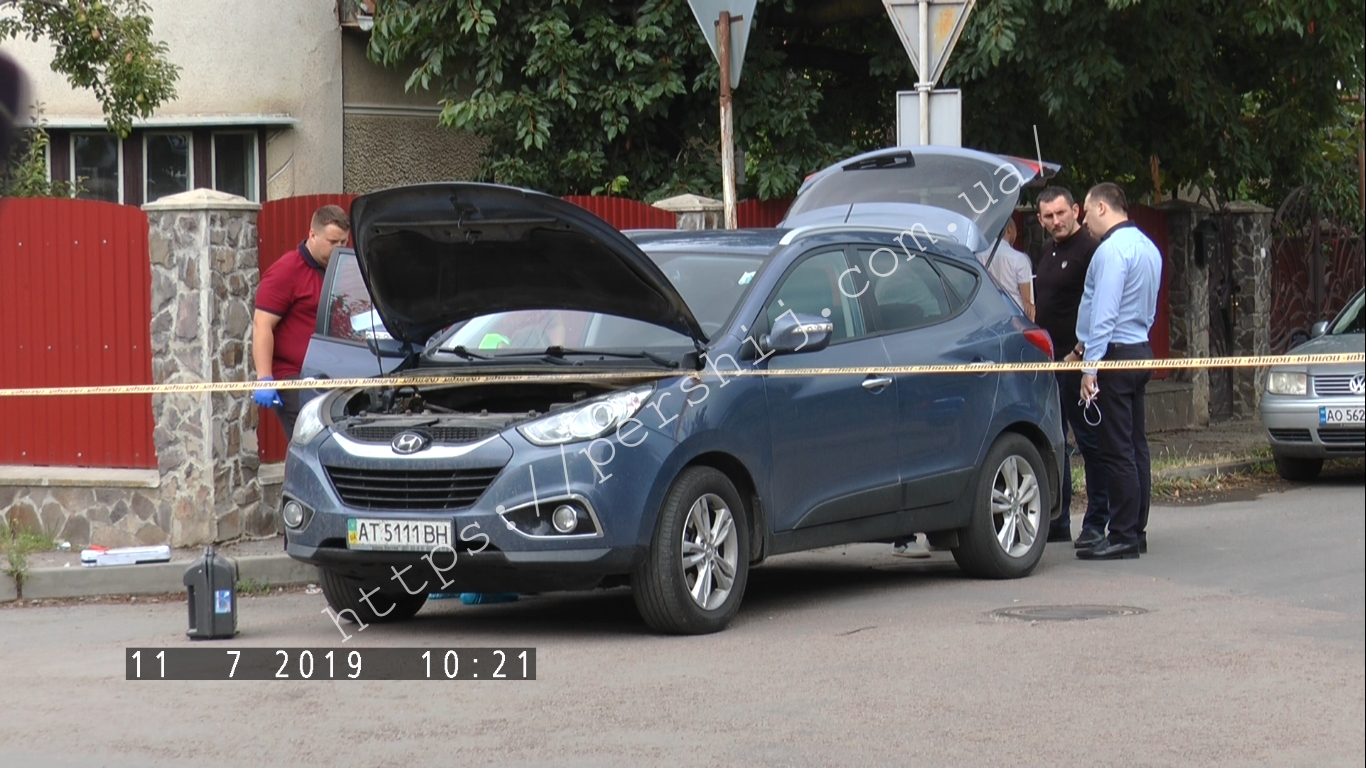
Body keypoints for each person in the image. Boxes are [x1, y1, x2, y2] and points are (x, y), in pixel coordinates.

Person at [1072, 183, 1162, 560]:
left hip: (1114, 355)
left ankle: (1123, 533)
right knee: (1137, 446)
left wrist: (1089, 367)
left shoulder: (1110, 251)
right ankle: (1135, 529)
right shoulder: (1148, 247)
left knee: (1117, 449)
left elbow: (1104, 312)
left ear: (1104, 208)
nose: (1085, 220)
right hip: (1140, 349)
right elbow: (1150, 308)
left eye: (1088, 212)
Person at [1033, 187, 1110, 546]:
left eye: (1061, 213)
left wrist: (1080, 354)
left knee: (1090, 442)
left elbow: (1098, 307)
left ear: (1076, 210)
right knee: (1055, 443)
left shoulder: (1091, 251)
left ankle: (1097, 520)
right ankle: (1059, 520)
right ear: (1040, 219)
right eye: (1048, 216)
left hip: (1079, 363)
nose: (1056, 221)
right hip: (1051, 364)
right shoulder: (1046, 251)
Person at [252, 205, 351, 438]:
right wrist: (264, 378)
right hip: (294, 376)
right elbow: (262, 324)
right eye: (333, 242)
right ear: (313, 235)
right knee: (311, 441)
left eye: (344, 242)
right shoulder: (286, 271)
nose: (339, 248)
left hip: (330, 373)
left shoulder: (339, 269)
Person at [980, 218, 1035, 320]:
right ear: (1009, 229)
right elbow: (1027, 302)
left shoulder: (979, 256)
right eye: (1015, 230)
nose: (1016, 234)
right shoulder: (1019, 259)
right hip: (1015, 316)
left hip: (988, 314)